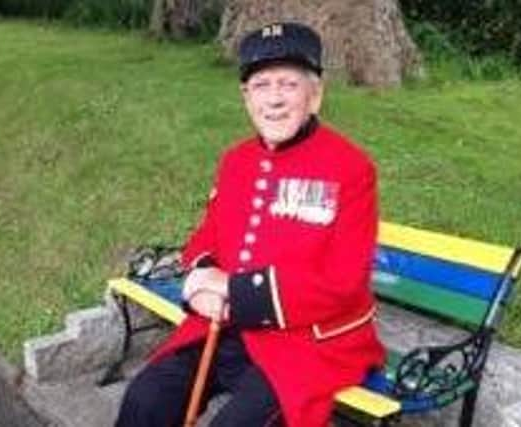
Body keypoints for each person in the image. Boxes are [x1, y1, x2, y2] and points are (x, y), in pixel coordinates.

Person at [115, 22, 385, 427]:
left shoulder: (351, 168)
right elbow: (209, 237)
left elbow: (342, 283)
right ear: (246, 97)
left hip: (309, 344)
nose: (274, 100)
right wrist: (200, 280)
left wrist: (233, 291)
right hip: (224, 325)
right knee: (146, 399)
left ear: (315, 95)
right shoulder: (235, 161)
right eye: (262, 85)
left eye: (288, 85)